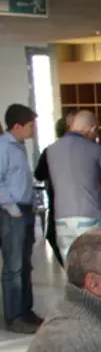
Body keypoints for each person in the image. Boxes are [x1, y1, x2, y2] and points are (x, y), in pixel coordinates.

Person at [44, 109, 101, 263]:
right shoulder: (96, 149)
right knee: (96, 263)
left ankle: (75, 288)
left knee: (72, 265)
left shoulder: (51, 150)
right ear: (92, 128)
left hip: (62, 217)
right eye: (97, 131)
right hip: (91, 214)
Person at [0, 103, 39, 333]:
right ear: (17, 125)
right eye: (30, 125)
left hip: (25, 210)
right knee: (14, 267)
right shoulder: (3, 146)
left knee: (25, 264)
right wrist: (12, 208)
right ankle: (15, 317)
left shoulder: (20, 146)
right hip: (11, 212)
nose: (33, 129)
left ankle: (26, 310)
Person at [32, 113, 70, 268]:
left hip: (57, 201)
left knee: (53, 236)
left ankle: (71, 270)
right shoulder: (87, 150)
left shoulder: (50, 151)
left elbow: (39, 174)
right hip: (74, 201)